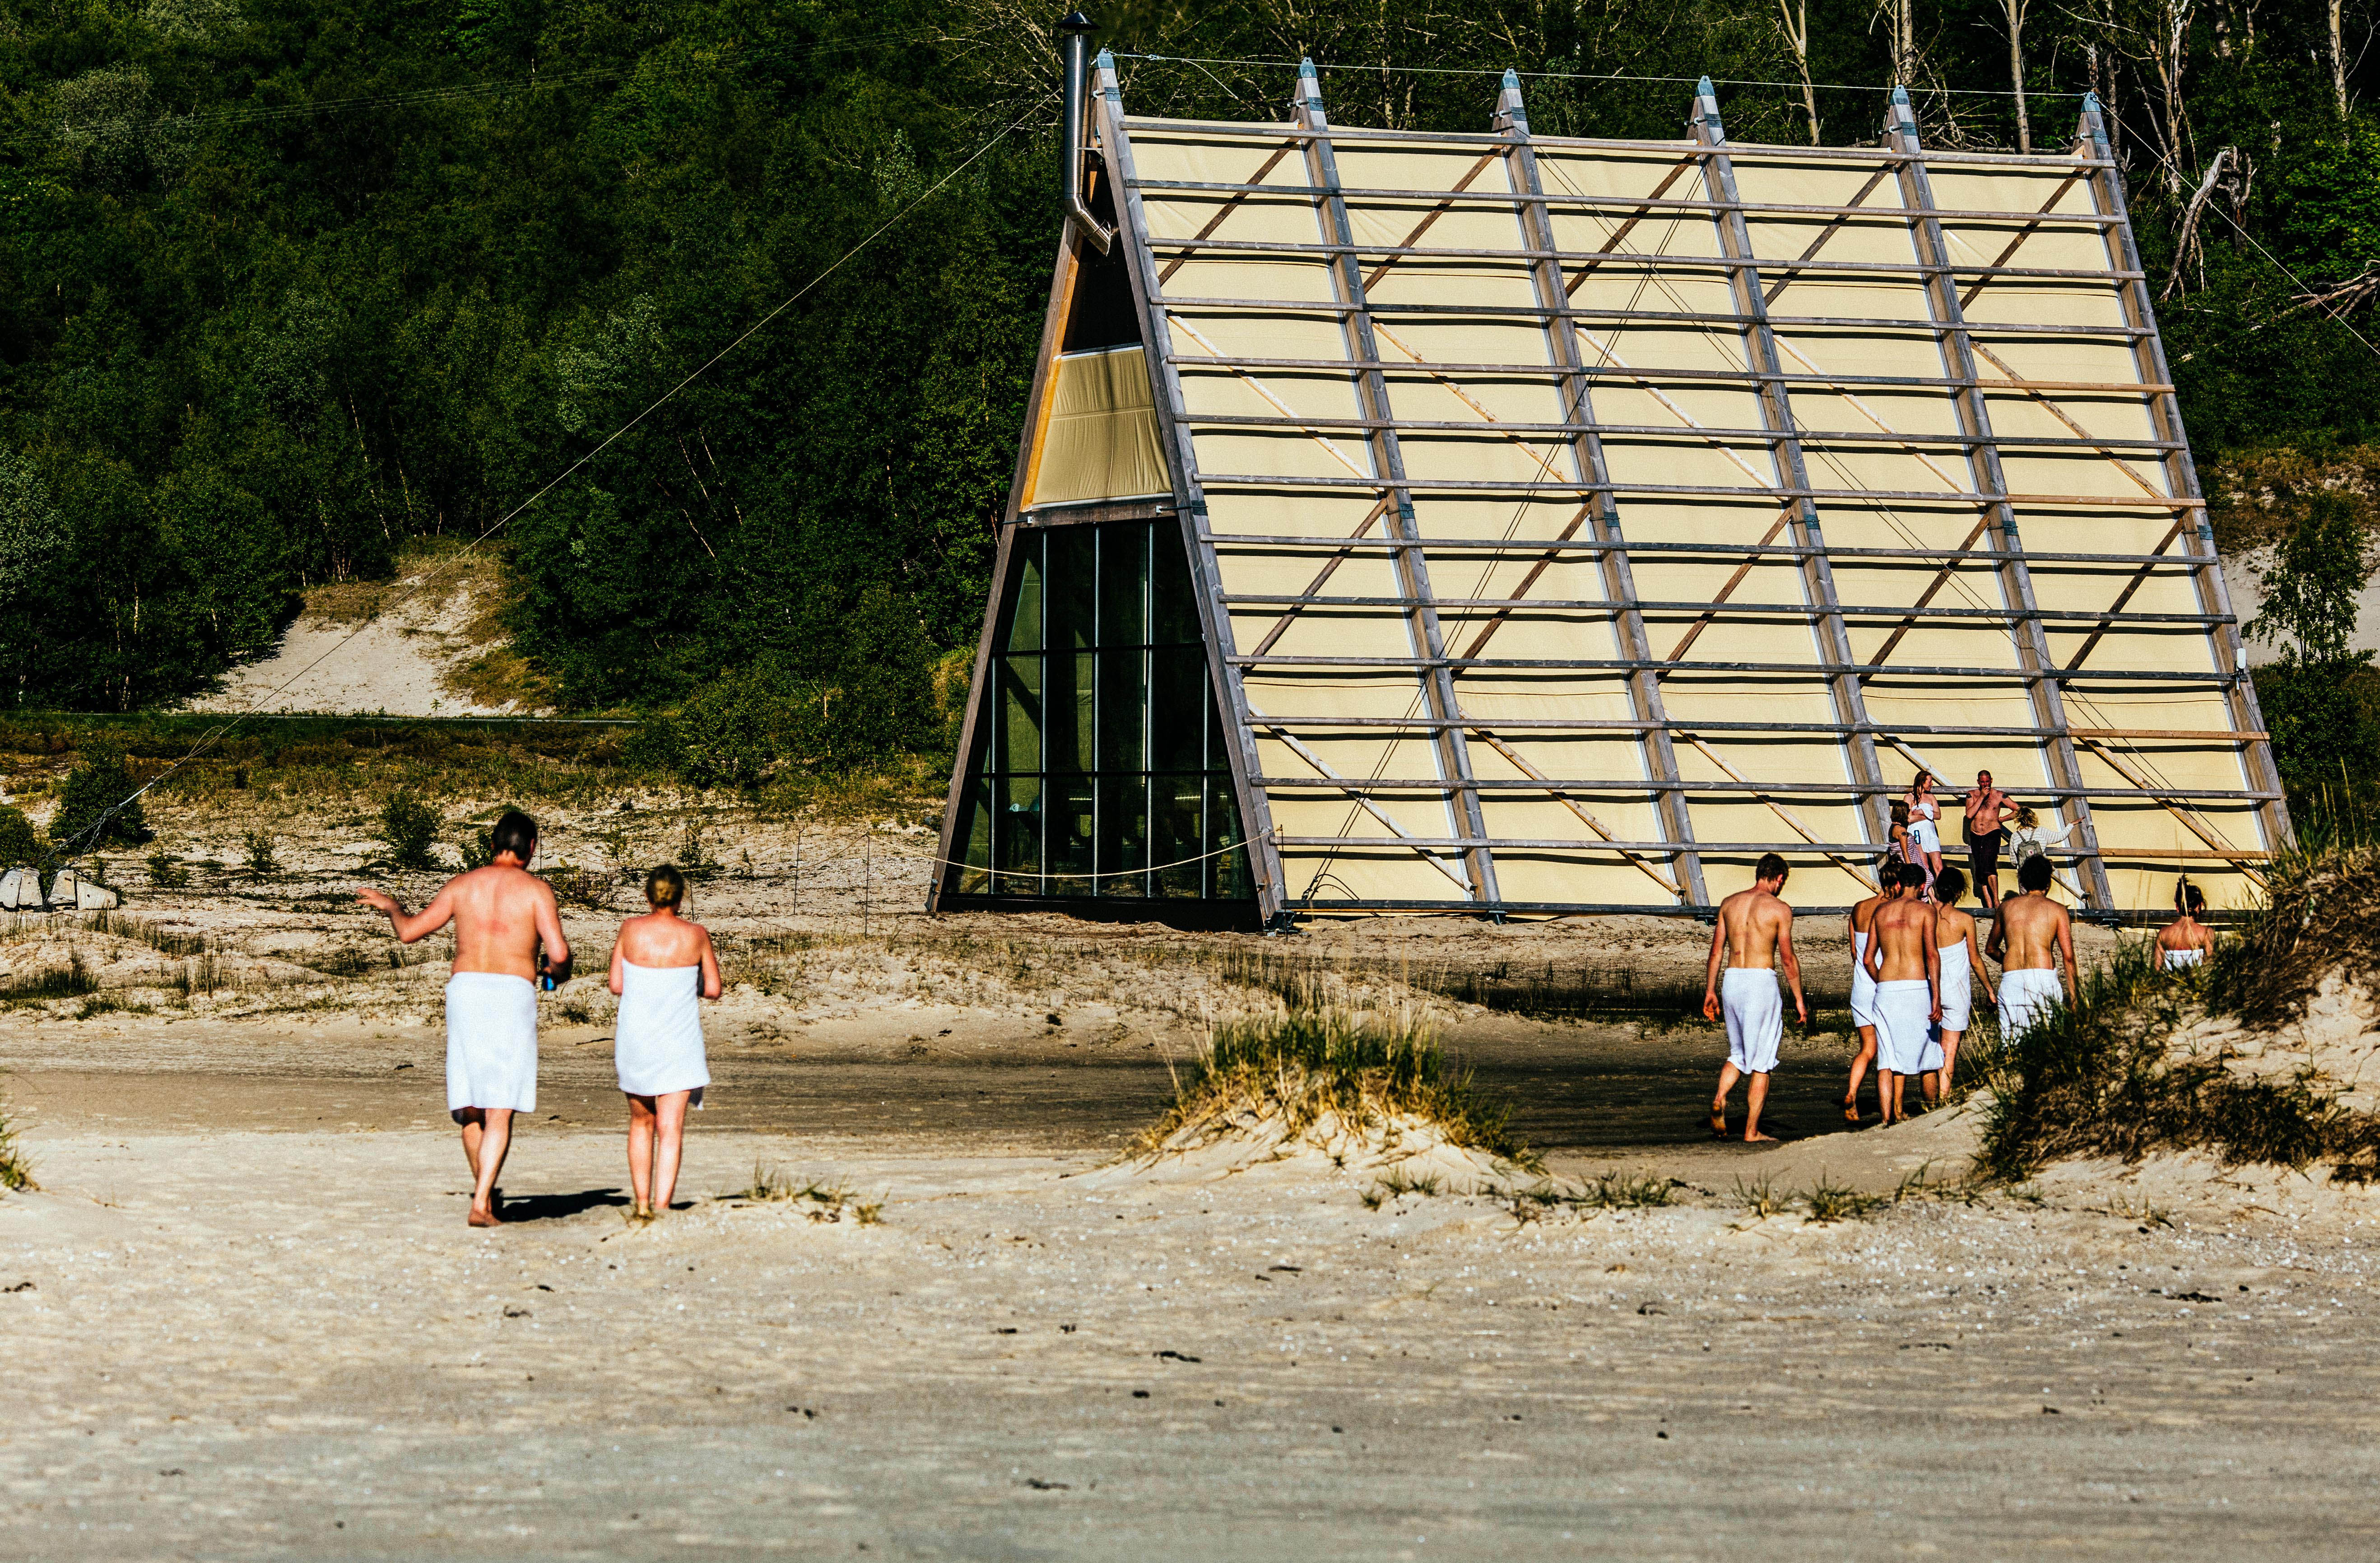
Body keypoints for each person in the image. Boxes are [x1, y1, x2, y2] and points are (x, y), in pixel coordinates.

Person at [356, 809, 569, 1228]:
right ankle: (481, 1204)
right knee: (501, 1107)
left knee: (471, 1107)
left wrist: (393, 907)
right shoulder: (536, 891)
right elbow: (558, 956)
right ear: (530, 849)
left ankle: (485, 1200)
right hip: (511, 991)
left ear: (492, 846)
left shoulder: (462, 885)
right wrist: (555, 975)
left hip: (466, 991)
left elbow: (410, 932)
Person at [609, 864, 723, 1221]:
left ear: (648, 895)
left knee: (640, 1123)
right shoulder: (697, 934)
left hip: (637, 1038)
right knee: (670, 1128)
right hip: (678, 1040)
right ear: (680, 896)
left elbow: (616, 984)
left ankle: (642, 1203)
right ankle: (663, 1205)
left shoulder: (630, 930)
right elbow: (715, 988)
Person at [1701, 854, 1809, 1144]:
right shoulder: (1780, 909)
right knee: (1762, 1062)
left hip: (1732, 980)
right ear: (1780, 879)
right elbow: (1787, 959)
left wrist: (1710, 991)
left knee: (1738, 1054)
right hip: (1760, 982)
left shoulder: (1729, 903)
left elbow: (1716, 952)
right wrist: (1799, 998)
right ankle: (1751, 1132)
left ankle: (1720, 1099)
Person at [1862, 861, 1940, 1124]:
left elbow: (1868, 960)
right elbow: (1931, 954)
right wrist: (1937, 996)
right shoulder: (1926, 911)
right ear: (1920, 887)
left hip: (1886, 989)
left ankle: (1889, 1117)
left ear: (1899, 883)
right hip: (1916, 986)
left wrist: (1882, 982)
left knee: (1888, 1057)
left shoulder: (1882, 912)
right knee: (1928, 1054)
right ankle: (1934, 1113)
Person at [1986, 853, 2076, 1042]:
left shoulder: (2006, 908)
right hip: (2042, 977)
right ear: (2048, 882)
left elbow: (1991, 949)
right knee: (2046, 1044)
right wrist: (2075, 998)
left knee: (2011, 1044)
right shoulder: (2057, 910)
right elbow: (2068, 957)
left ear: (2024, 882)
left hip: (2012, 978)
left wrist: (2011, 958)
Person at [1924, 865, 1994, 1104]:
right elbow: (1975, 959)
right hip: (1956, 990)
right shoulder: (1965, 920)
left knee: (1930, 1046)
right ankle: (1942, 1099)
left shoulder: (1925, 915)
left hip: (1928, 988)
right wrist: (1990, 989)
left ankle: (1930, 1098)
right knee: (1950, 1049)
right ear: (1959, 893)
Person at [1843, 871, 1893, 1123]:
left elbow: (1855, 951)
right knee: (1888, 1050)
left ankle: (1852, 1093)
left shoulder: (1859, 908)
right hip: (1881, 983)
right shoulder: (1889, 911)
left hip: (1861, 986)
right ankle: (1893, 1107)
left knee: (1867, 1049)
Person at [1962, 770, 2010, 909]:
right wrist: (1982, 797)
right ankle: (1989, 905)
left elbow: (2017, 809)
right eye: (1982, 782)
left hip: (1992, 832)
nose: (1985, 784)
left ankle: (1996, 900)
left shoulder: (1999, 795)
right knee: (1980, 869)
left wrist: (2002, 819)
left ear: (1991, 780)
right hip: (1976, 834)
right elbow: (1970, 815)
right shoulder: (1972, 795)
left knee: (1989, 865)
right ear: (1978, 782)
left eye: (1987, 781)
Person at [2157, 877, 2215, 972]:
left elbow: (2157, 968)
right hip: (2197, 983)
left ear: (2177, 907)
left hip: (2171, 983)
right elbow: (2211, 965)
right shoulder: (2205, 933)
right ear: (2200, 906)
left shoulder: (2164, 933)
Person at [1905, 772, 1944, 898]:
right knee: (1924, 865)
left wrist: (1922, 812)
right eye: (1929, 781)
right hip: (1917, 833)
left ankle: (1943, 897)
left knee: (1939, 866)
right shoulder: (1909, 798)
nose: (1932, 784)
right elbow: (1909, 818)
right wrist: (1927, 816)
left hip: (1931, 833)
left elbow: (1938, 815)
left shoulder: (1931, 797)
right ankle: (1930, 897)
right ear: (1922, 782)